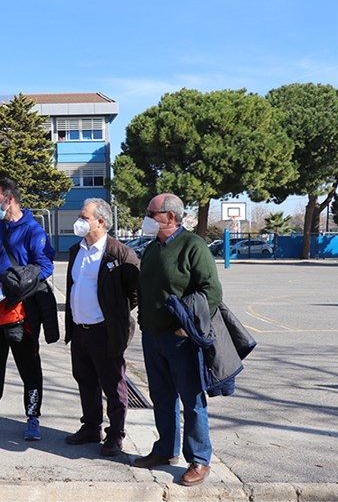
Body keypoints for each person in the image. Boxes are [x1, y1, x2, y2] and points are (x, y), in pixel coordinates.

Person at [132, 193, 222, 487]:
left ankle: (199, 459)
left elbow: (212, 292)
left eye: (151, 213)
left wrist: (188, 327)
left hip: (182, 340)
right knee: (161, 397)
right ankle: (165, 449)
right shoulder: (152, 248)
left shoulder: (193, 246)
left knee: (191, 400)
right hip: (153, 337)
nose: (146, 218)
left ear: (170, 217)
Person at [0, 178, 57, 441]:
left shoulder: (33, 230)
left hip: (22, 311)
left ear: (10, 199)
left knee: (29, 367)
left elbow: (45, 266)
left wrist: (21, 281)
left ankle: (33, 417)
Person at [64, 198, 139, 457]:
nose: (79, 221)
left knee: (113, 385)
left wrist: (116, 315)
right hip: (80, 329)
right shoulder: (76, 250)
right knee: (85, 381)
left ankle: (115, 434)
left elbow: (135, 291)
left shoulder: (119, 254)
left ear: (101, 221)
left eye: (84, 218)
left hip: (105, 332)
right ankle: (91, 427)